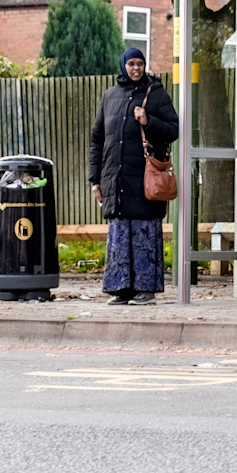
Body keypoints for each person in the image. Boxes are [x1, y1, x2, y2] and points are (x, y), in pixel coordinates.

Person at [87, 47, 179, 305]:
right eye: (131, 64)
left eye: (140, 63)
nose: (136, 68)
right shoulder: (110, 96)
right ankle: (121, 289)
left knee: (144, 232)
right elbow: (97, 140)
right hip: (115, 179)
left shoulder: (156, 94)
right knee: (119, 234)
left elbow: (173, 129)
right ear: (123, 66)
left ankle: (145, 290)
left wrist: (148, 120)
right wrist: (95, 180)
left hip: (144, 179)